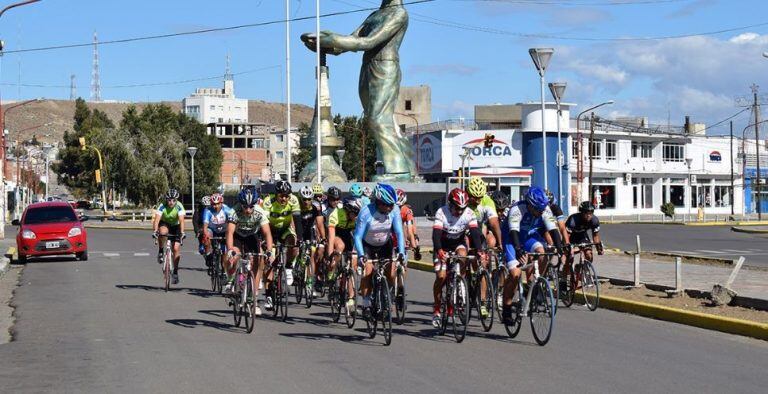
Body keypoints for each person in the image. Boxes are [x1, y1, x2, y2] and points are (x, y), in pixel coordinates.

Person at [501, 186, 563, 325]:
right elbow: (514, 232)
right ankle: (506, 308)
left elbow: (553, 230)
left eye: (542, 209)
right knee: (515, 274)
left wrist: (559, 247)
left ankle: (533, 284)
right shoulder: (517, 210)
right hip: (512, 238)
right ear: (529, 204)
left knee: (543, 253)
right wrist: (518, 250)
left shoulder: (544, 209)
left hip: (529, 236)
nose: (540, 212)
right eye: (537, 209)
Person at [430, 188, 484, 328]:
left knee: (463, 255)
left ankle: (460, 283)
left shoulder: (469, 213)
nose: (459, 211)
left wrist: (479, 250)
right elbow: (436, 234)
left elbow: (475, 233)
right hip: (442, 245)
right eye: (457, 208)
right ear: (450, 204)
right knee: (441, 277)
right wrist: (439, 250)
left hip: (458, 243)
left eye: (462, 208)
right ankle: (436, 309)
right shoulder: (442, 212)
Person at [353, 183, 406, 319]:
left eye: (392, 205)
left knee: (391, 272)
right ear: (378, 202)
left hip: (384, 244)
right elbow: (358, 236)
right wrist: (360, 256)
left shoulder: (394, 211)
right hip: (367, 245)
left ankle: (386, 294)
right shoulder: (365, 212)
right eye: (387, 205)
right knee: (368, 272)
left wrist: (401, 252)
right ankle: (365, 303)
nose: (389, 208)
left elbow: (399, 233)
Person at [225, 188, 273, 315]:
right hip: (238, 236)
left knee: (258, 261)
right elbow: (229, 232)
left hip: (252, 236)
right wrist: (230, 250)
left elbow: (267, 233)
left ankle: (253, 299)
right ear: (240, 204)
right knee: (233, 256)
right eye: (245, 207)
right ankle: (230, 279)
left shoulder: (260, 212)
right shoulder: (234, 211)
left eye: (251, 207)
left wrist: (269, 251)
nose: (248, 210)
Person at [261, 180, 303, 311]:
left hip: (285, 229)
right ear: (276, 194)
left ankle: (289, 267)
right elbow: (264, 224)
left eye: (286, 195)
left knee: (294, 242)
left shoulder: (294, 200)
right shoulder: (268, 202)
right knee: (269, 262)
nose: (284, 198)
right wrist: (266, 242)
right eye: (281, 195)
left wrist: (300, 239)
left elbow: (297, 221)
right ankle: (268, 296)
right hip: (270, 230)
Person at [465, 177, 501, 319]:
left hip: (479, 232)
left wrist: (500, 243)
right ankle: (464, 278)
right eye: (475, 197)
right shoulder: (464, 201)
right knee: (465, 253)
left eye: (480, 197)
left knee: (483, 265)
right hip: (464, 232)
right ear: (469, 194)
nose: (478, 200)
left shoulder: (487, 201)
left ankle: (483, 302)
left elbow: (494, 223)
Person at [327, 196, 363, 314]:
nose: (356, 216)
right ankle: (332, 270)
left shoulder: (357, 218)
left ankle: (351, 301)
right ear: (348, 210)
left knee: (351, 265)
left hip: (349, 236)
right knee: (340, 246)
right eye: (355, 213)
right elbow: (331, 237)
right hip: (337, 235)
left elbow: (361, 236)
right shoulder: (336, 214)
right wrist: (330, 254)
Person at [152, 189, 186, 284]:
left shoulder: (179, 206)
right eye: (169, 200)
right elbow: (157, 220)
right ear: (166, 200)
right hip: (165, 223)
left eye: (173, 200)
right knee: (162, 232)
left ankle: (175, 272)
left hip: (176, 226)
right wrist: (155, 231)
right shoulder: (162, 205)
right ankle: (160, 250)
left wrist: (182, 232)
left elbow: (182, 221)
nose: (171, 202)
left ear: (176, 200)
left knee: (175, 248)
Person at [298, 185, 326, 296]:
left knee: (312, 255)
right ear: (300, 199)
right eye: (304, 199)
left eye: (309, 199)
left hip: (309, 233)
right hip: (298, 231)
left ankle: (310, 283)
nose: (306, 201)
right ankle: (297, 268)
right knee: (297, 251)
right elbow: (292, 223)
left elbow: (319, 224)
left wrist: (323, 238)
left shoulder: (315, 208)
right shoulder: (297, 207)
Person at [564, 201, 603, 277]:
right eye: (586, 213)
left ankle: (581, 268)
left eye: (591, 213)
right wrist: (567, 248)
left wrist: (599, 248)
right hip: (570, 237)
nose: (589, 215)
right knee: (569, 258)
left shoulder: (594, 220)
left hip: (582, 236)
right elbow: (566, 236)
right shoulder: (573, 220)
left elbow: (595, 236)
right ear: (581, 213)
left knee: (589, 254)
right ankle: (564, 278)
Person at [201, 193, 233, 271]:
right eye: (214, 204)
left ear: (221, 203)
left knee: (224, 251)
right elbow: (205, 226)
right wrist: (206, 237)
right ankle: (208, 254)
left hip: (223, 230)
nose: (216, 206)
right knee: (206, 236)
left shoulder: (227, 209)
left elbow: (232, 224)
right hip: (212, 229)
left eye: (218, 204)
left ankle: (224, 271)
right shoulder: (207, 210)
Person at [396, 188, 420, 260]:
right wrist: (415, 247)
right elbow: (410, 231)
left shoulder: (406, 210)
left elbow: (410, 230)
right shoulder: (406, 210)